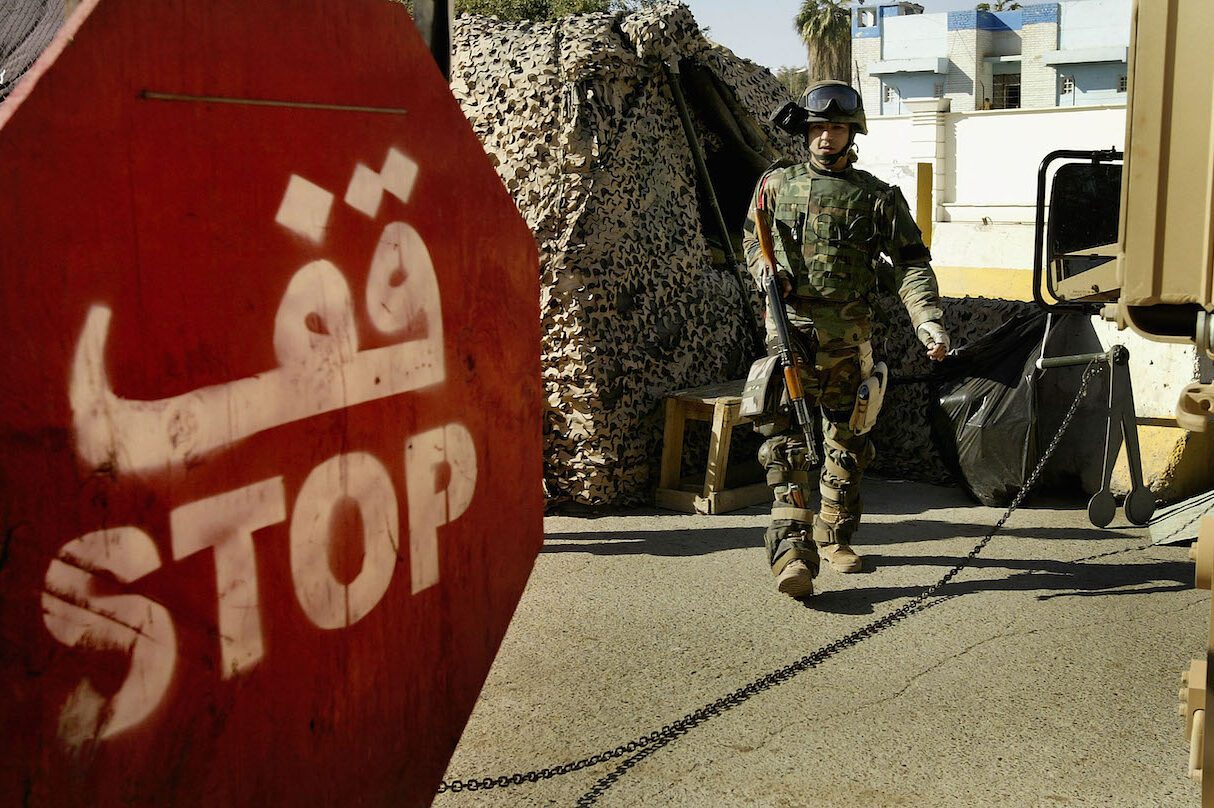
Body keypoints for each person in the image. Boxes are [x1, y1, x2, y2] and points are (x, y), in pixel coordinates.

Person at [741, 80, 950, 599]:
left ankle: (834, 535)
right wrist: (764, 265)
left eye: (835, 128)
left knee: (848, 442)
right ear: (806, 133)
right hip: (790, 337)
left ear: (851, 133)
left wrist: (927, 320)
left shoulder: (878, 197)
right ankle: (791, 552)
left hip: (850, 340)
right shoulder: (774, 185)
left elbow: (911, 264)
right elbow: (752, 237)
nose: (825, 138)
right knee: (783, 446)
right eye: (817, 128)